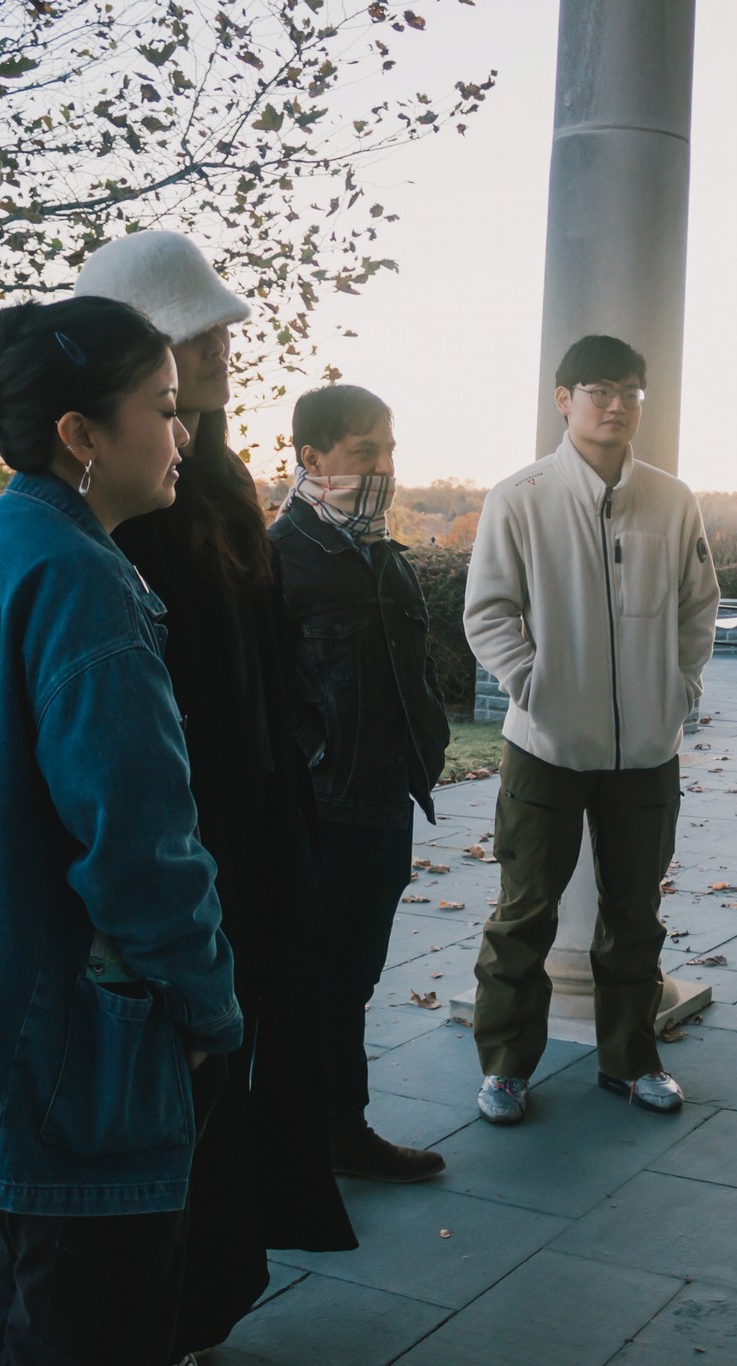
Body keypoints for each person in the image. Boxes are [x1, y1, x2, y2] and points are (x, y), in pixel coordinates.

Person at [0, 295, 244, 1366]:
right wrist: (209, 1004)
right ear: (80, 435)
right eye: (164, 409)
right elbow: (137, 845)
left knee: (25, 1290)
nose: (184, 434)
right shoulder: (82, 579)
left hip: (0, 1008)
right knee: (86, 1315)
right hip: (85, 1031)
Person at [75, 231, 356, 1355]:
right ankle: (162, 1305)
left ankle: (206, 1296)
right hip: (169, 835)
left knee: (244, 1071)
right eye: (190, 345)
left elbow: (266, 645)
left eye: (218, 343)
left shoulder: (223, 478)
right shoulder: (107, 502)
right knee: (170, 1088)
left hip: (253, 823)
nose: (218, 364)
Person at [463, 333, 720, 1124]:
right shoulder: (522, 495)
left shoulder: (671, 499)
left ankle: (632, 1060)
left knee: (636, 911)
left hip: (647, 749)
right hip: (544, 745)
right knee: (526, 912)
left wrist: (676, 691)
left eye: (630, 392)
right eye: (598, 388)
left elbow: (696, 606)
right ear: (563, 398)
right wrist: (532, 683)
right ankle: (507, 1065)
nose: (616, 405)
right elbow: (489, 611)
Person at [270, 383, 451, 1179]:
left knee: (353, 980)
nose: (384, 467)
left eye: (389, 449)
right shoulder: (280, 559)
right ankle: (315, 1139)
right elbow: (264, 693)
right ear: (312, 458)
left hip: (384, 804)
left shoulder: (384, 555)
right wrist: (311, 766)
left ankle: (335, 1131)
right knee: (316, 986)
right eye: (365, 451)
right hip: (320, 815)